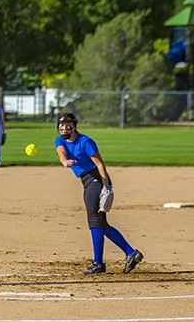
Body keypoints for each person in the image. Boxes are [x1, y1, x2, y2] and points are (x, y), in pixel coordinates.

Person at [54, 112, 144, 275]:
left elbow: (99, 164)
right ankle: (131, 253)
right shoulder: (59, 140)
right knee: (102, 224)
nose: (64, 127)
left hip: (96, 179)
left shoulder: (85, 141)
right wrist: (65, 162)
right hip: (86, 181)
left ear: (74, 126)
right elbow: (61, 153)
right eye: (61, 124)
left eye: (68, 124)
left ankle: (98, 263)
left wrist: (106, 186)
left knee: (95, 221)